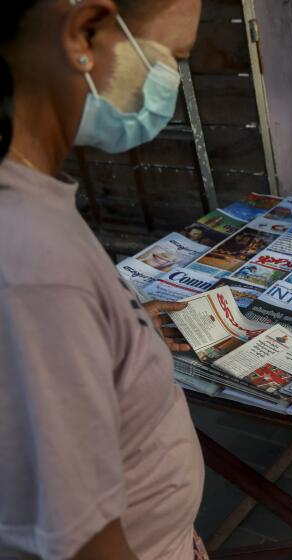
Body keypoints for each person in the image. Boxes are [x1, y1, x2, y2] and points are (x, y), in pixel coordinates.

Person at [0, 1, 205, 559]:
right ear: (82, 34)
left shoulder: (33, 203)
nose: (167, 84)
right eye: (169, 58)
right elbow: (81, 543)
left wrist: (125, 333)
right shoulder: (31, 264)